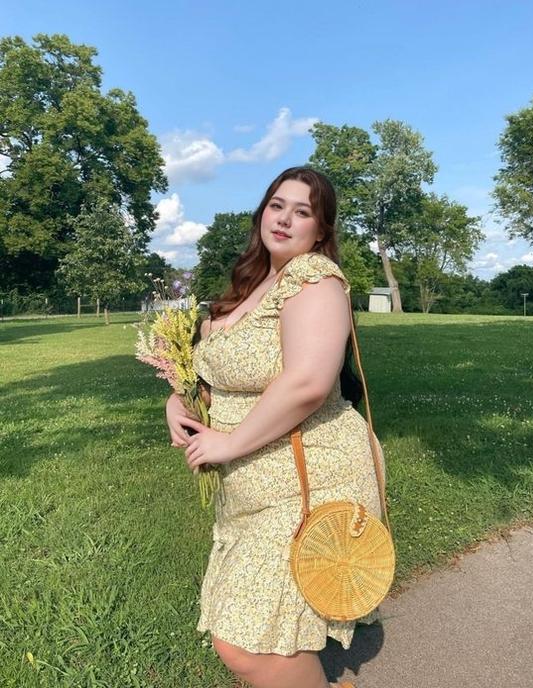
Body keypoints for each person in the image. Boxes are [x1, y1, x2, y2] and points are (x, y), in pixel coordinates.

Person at [165, 166, 384, 688]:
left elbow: (308, 381)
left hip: (311, 479)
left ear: (321, 230)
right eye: (276, 205)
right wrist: (178, 400)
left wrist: (230, 442)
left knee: (244, 643)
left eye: (302, 211)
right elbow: (213, 372)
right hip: (249, 488)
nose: (284, 219)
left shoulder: (315, 279)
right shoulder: (250, 284)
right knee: (249, 633)